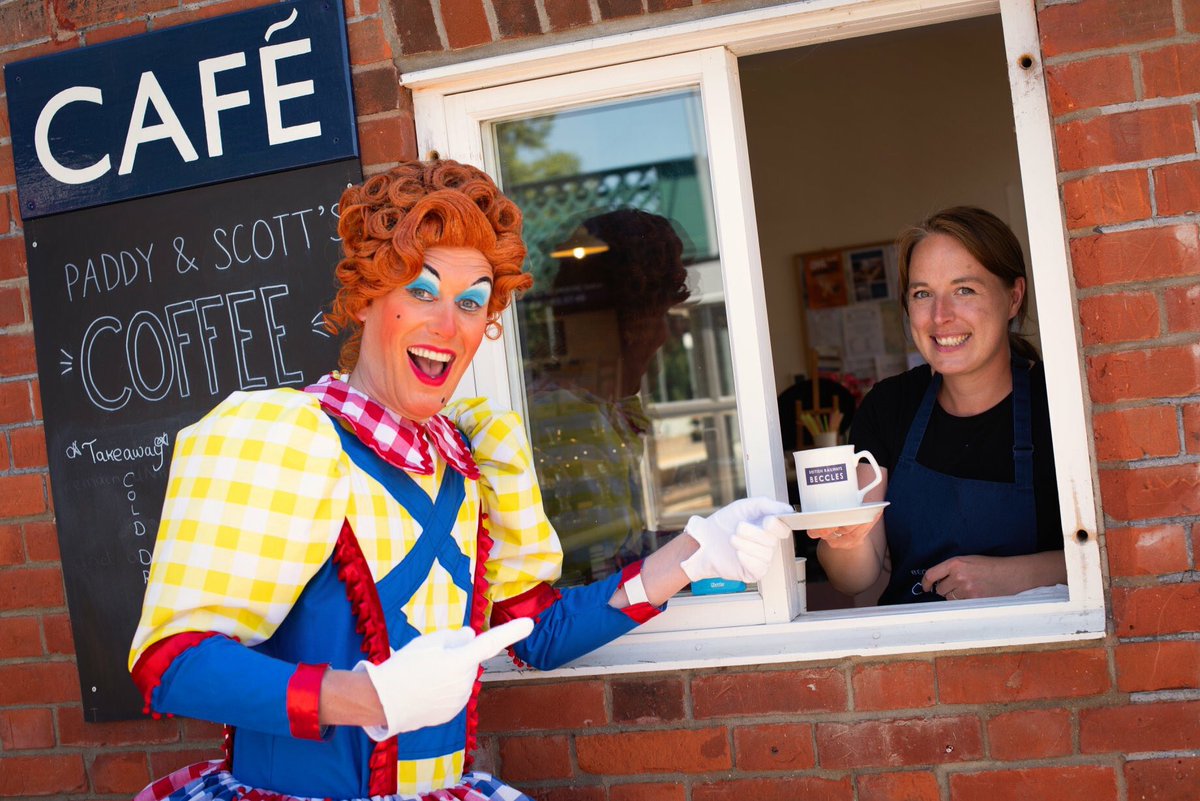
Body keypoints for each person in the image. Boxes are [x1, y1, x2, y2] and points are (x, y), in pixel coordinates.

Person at [128, 160, 792, 801]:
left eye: (471, 302)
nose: (448, 325)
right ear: (366, 299)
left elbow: (535, 635)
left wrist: (692, 552)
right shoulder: (288, 438)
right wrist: (367, 696)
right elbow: (172, 665)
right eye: (422, 290)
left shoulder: (473, 458)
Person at [809, 206, 1065, 605]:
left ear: (1014, 297)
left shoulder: (1060, 404)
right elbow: (855, 577)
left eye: (965, 290)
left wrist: (1015, 576)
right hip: (915, 649)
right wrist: (840, 538)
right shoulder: (888, 407)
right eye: (922, 294)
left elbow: (1121, 552)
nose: (940, 316)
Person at [525, 208, 690, 584]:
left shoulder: (598, 408)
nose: (667, 335)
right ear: (636, 323)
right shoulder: (571, 418)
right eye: (663, 314)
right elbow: (597, 566)